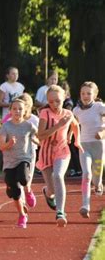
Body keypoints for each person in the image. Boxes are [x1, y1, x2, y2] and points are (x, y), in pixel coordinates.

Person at [37, 85, 82, 227]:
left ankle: (60, 212)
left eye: (57, 101)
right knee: (51, 190)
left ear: (64, 98)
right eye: (51, 102)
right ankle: (47, 193)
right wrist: (58, 126)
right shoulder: (45, 113)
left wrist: (76, 141)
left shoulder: (68, 113)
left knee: (58, 176)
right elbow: (40, 136)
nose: (54, 105)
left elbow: (75, 125)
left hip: (62, 151)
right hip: (46, 153)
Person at [0, 98, 37, 228]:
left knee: (23, 179)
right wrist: (9, 144)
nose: (17, 111)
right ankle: (22, 215)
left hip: (24, 158)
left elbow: (37, 138)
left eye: (20, 109)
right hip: (9, 162)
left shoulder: (29, 126)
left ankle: (28, 191)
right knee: (14, 192)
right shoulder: (6, 126)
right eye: (14, 109)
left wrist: (43, 143)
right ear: (10, 111)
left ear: (25, 110)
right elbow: (2, 146)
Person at [73, 82, 105, 218]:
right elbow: (73, 125)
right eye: (82, 93)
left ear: (95, 95)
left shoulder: (100, 107)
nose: (85, 96)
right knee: (86, 174)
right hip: (84, 145)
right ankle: (85, 205)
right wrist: (70, 137)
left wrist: (102, 133)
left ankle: (98, 185)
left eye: (88, 93)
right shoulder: (76, 110)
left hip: (98, 145)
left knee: (96, 177)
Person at [61, 81, 82, 177]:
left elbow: (69, 118)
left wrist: (70, 132)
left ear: (67, 93)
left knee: (73, 149)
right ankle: (74, 168)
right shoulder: (61, 103)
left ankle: (77, 169)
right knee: (70, 148)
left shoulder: (68, 103)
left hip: (70, 128)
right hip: (66, 128)